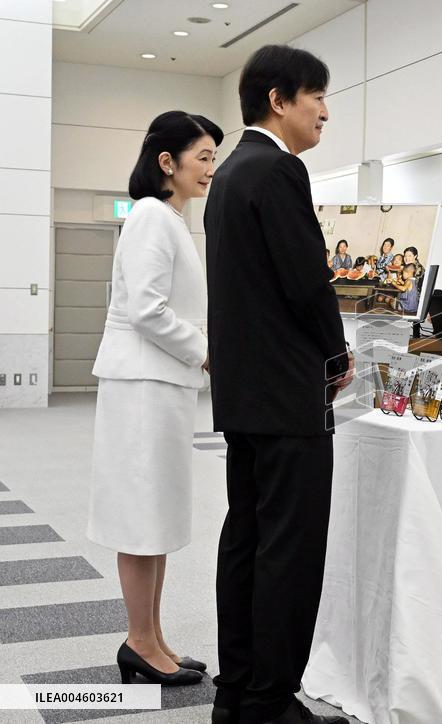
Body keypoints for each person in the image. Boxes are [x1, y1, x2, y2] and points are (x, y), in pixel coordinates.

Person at [204, 45, 353, 724]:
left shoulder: (230, 173)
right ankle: (270, 701)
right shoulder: (279, 169)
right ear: (278, 99)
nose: (325, 110)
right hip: (290, 394)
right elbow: (306, 281)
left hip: (243, 393)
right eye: (315, 95)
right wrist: (337, 350)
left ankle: (236, 691)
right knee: (290, 551)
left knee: (246, 538)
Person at [88, 110, 223, 687]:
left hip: (160, 384)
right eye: (202, 158)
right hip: (142, 384)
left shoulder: (169, 218)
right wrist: (205, 349)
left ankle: (153, 637)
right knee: (141, 516)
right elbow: (146, 309)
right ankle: (139, 640)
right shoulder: (150, 215)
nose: (211, 169)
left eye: (214, 158)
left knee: (158, 516)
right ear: (167, 162)